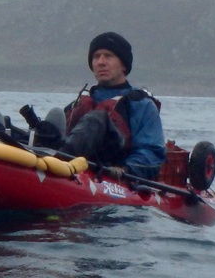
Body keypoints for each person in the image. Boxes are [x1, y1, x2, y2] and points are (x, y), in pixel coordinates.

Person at [46, 31, 166, 180]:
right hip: (74, 167)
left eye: (108, 56)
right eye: (96, 57)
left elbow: (152, 152)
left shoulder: (141, 105)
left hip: (113, 171)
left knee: (95, 119)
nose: (100, 62)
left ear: (123, 64)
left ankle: (55, 162)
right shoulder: (80, 101)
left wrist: (125, 169)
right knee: (52, 118)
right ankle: (41, 158)